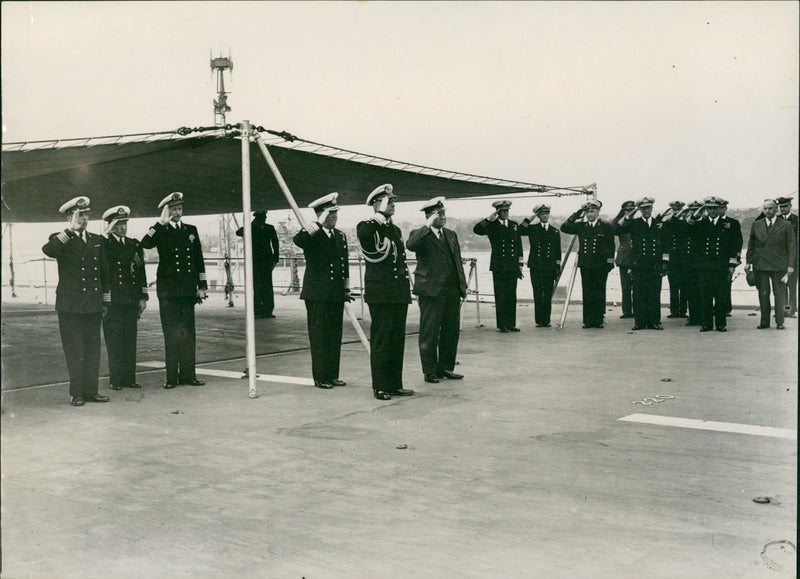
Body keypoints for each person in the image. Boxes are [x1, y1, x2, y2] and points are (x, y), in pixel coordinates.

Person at [42, 196, 111, 406]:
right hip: (70, 306)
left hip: (92, 305)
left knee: (92, 350)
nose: (84, 218)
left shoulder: (96, 240)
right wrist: (70, 230)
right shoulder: (61, 238)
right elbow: (49, 250)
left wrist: (105, 301)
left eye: (86, 214)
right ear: (70, 216)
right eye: (80, 215)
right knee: (75, 351)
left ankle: (91, 391)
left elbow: (104, 273)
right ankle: (77, 393)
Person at [141, 192, 208, 388]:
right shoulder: (161, 230)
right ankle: (171, 378)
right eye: (173, 209)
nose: (177, 213)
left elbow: (198, 260)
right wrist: (159, 223)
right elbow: (145, 243)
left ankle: (189, 375)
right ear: (166, 211)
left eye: (179, 209)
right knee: (171, 334)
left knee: (188, 334)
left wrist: (202, 286)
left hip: (187, 290)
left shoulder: (191, 229)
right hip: (169, 292)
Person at [356, 184, 414, 401]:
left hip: (398, 291)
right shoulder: (368, 226)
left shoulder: (394, 230)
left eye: (393, 202)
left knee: (396, 339)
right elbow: (365, 236)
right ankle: (380, 386)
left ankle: (395, 384)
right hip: (380, 293)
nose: (394, 206)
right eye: (389, 202)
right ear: (377, 204)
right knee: (381, 339)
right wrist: (379, 214)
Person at [293, 193, 353, 389]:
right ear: (322, 215)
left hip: (335, 293)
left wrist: (346, 287)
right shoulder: (312, 233)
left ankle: (332, 374)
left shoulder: (340, 236)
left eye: (336, 213)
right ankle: (320, 377)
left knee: (334, 335)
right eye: (331, 214)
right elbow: (298, 240)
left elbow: (344, 265)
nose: (335, 217)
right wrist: (317, 223)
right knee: (319, 336)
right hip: (317, 294)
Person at [406, 197, 468, 383]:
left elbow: (457, 261)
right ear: (430, 216)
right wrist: (427, 226)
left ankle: (446, 367)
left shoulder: (450, 234)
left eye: (444, 213)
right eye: (439, 214)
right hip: (431, 290)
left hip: (451, 290)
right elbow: (410, 245)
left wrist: (462, 286)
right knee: (430, 331)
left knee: (451, 330)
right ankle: (430, 370)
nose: (443, 217)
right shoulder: (419, 233)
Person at [101, 205, 148, 390]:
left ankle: (129, 379)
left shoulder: (133, 244)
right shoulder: (104, 244)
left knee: (130, 340)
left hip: (130, 301)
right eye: (118, 224)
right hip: (113, 301)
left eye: (124, 223)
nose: (122, 227)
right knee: (114, 341)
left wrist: (143, 297)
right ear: (111, 225)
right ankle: (116, 379)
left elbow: (141, 272)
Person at [685, 197, 741, 332]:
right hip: (704, 266)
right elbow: (687, 228)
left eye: (714, 208)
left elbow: (735, 245)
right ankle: (707, 324)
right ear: (706, 209)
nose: (711, 211)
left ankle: (721, 324)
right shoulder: (700, 224)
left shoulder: (730, 224)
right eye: (708, 208)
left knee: (721, 296)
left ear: (718, 209)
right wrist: (696, 214)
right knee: (705, 296)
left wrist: (732, 265)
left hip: (721, 266)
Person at [613, 197, 669, 330]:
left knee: (654, 294)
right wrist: (630, 214)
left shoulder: (659, 223)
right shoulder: (634, 223)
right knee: (639, 294)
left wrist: (665, 262)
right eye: (643, 208)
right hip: (639, 265)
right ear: (640, 210)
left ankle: (654, 322)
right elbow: (616, 229)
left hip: (655, 265)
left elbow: (666, 243)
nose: (646, 211)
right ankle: (640, 322)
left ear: (652, 208)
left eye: (648, 208)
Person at [560, 199, 616, 328]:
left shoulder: (605, 226)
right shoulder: (581, 226)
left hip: (601, 265)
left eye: (592, 211)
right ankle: (588, 320)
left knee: (599, 292)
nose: (590, 214)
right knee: (587, 292)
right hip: (586, 264)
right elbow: (564, 227)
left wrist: (609, 263)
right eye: (587, 212)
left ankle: (598, 320)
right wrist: (577, 214)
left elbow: (611, 246)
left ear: (598, 212)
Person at [472, 200, 524, 332]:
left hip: (512, 265)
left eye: (507, 211)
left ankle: (511, 323)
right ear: (498, 212)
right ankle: (502, 324)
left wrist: (520, 263)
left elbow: (518, 245)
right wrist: (489, 219)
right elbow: (477, 230)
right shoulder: (491, 225)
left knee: (512, 295)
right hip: (499, 265)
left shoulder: (514, 225)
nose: (505, 213)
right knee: (500, 295)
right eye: (502, 211)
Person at [746, 199, 796, 330]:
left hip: (779, 265)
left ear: (776, 209)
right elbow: (751, 245)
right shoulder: (756, 224)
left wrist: (790, 266)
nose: (767, 211)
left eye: (770, 208)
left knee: (779, 294)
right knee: (763, 293)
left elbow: (791, 247)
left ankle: (780, 321)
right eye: (765, 209)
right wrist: (748, 262)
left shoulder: (786, 225)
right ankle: (764, 321)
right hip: (761, 265)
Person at [518, 203, 561, 327]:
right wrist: (529, 219)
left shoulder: (554, 231)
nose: (544, 216)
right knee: (537, 292)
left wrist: (557, 267)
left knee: (547, 294)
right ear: (538, 215)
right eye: (541, 214)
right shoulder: (532, 229)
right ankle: (539, 320)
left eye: (546, 213)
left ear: (549, 215)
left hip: (550, 267)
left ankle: (546, 320)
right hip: (536, 266)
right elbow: (520, 231)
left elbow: (557, 251)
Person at [236, 210, 279, 318]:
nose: (263, 220)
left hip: (267, 261)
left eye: (264, 218)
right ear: (256, 219)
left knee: (267, 286)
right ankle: (257, 311)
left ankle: (268, 310)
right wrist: (250, 225)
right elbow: (238, 232)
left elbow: (275, 242)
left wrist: (276, 257)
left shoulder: (270, 228)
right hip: (254, 261)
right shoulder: (251, 228)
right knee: (256, 286)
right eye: (261, 219)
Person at [662, 201, 688, 318]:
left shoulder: (685, 222)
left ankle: (682, 310)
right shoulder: (668, 222)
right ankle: (674, 310)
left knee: (684, 286)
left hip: (683, 258)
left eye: (678, 209)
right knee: (673, 286)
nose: (676, 211)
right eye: (674, 209)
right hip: (672, 259)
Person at [718, 199, 743, 316]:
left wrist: (734, 261)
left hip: (727, 260)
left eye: (722, 208)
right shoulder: (708, 222)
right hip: (712, 261)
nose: (720, 210)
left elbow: (738, 243)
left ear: (725, 209)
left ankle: (725, 309)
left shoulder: (733, 223)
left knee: (726, 285)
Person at [612, 201, 636, 319]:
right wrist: (623, 216)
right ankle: (627, 311)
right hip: (625, 257)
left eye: (632, 209)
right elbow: (613, 228)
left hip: (636, 256)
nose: (630, 212)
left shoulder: (637, 221)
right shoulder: (621, 222)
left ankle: (637, 310)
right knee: (625, 286)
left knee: (637, 286)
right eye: (628, 209)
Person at [776, 196, 798, 317]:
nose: (783, 209)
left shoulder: (796, 220)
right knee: (781, 287)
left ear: (790, 206)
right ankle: (783, 309)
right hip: (780, 259)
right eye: (781, 207)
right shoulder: (777, 220)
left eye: (785, 206)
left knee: (792, 286)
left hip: (793, 260)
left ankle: (790, 309)